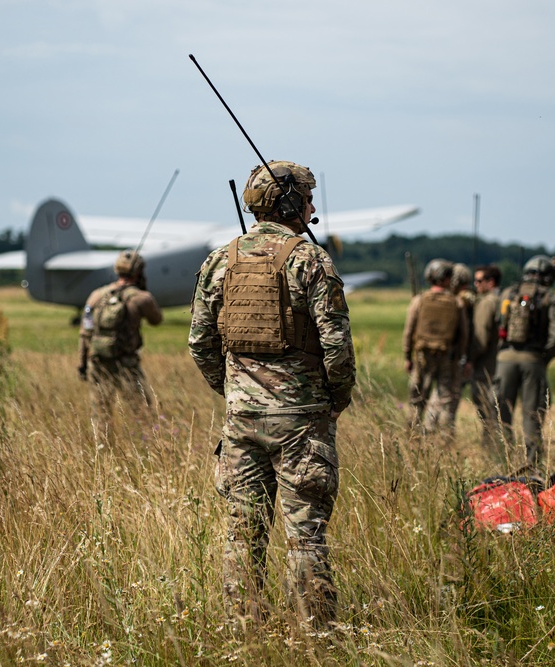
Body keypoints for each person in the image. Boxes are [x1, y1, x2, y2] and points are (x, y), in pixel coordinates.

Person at [189, 160, 356, 628]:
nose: (312, 206)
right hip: (302, 421)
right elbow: (337, 346)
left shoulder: (221, 259)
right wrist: (333, 400)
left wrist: (233, 392)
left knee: (242, 534)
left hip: (241, 421)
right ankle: (317, 637)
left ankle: (243, 633)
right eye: (306, 198)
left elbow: (199, 342)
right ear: (289, 204)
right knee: (305, 538)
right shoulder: (311, 260)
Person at [493, 255, 555, 467]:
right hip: (533, 361)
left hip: (504, 359)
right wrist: (544, 356)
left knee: (501, 413)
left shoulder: (508, 293)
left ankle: (501, 460)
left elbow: (497, 324)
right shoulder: (550, 298)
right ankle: (531, 463)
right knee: (532, 415)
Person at [78, 250, 163, 414]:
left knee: (101, 413)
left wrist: (82, 365)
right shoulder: (141, 298)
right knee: (142, 411)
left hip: (98, 362)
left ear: (116, 270)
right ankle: (147, 439)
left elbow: (85, 333)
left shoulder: (96, 296)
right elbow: (156, 320)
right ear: (140, 273)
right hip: (127, 364)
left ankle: (101, 441)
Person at [402, 258, 469, 436]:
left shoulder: (419, 300)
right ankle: (439, 436)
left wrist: (407, 357)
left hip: (422, 356)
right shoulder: (457, 302)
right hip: (447, 357)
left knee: (417, 398)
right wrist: (460, 357)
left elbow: (409, 331)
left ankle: (413, 434)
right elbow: (463, 334)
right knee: (443, 398)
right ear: (446, 278)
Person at [471, 264, 502, 449]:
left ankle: (490, 445)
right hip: (501, 362)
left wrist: (469, 358)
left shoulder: (487, 302)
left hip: (486, 364)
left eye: (479, 280)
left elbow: (480, 338)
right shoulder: (505, 299)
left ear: (491, 282)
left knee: (486, 408)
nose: (475, 284)